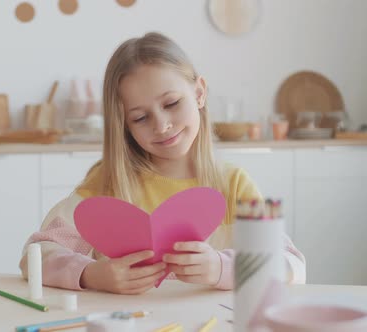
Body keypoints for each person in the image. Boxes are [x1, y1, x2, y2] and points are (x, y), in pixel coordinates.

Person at [19, 32, 306, 295]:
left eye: (171, 104)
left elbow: (291, 263)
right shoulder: (106, 182)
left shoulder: (235, 183)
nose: (162, 125)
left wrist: (221, 267)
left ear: (199, 93)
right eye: (140, 118)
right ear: (124, 125)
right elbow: (35, 256)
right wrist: (91, 275)